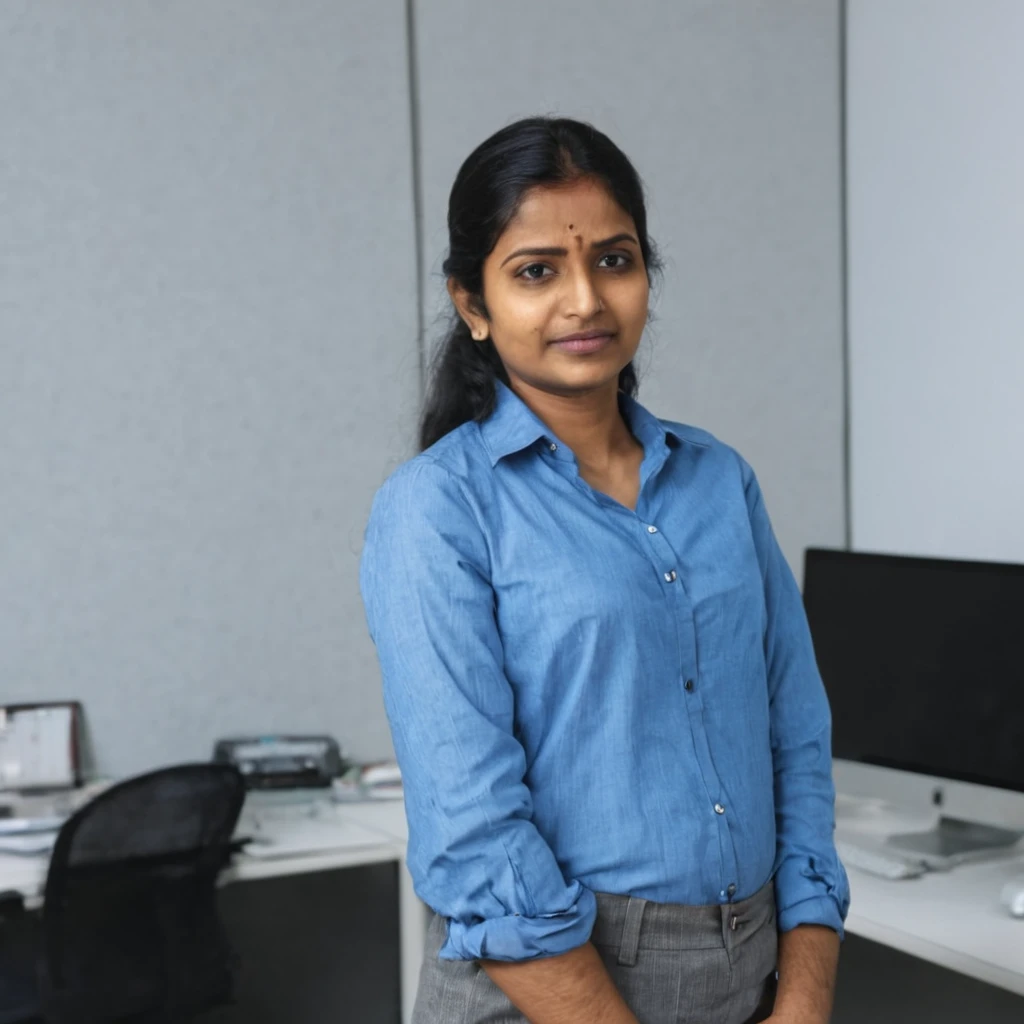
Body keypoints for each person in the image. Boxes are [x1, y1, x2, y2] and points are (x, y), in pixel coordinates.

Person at [359, 117, 850, 1024]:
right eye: (536, 271)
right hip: (550, 987)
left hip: (753, 976)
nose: (585, 300)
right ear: (473, 304)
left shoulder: (719, 480)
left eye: (615, 261)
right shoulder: (437, 507)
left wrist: (805, 994)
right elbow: (474, 835)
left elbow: (797, 742)